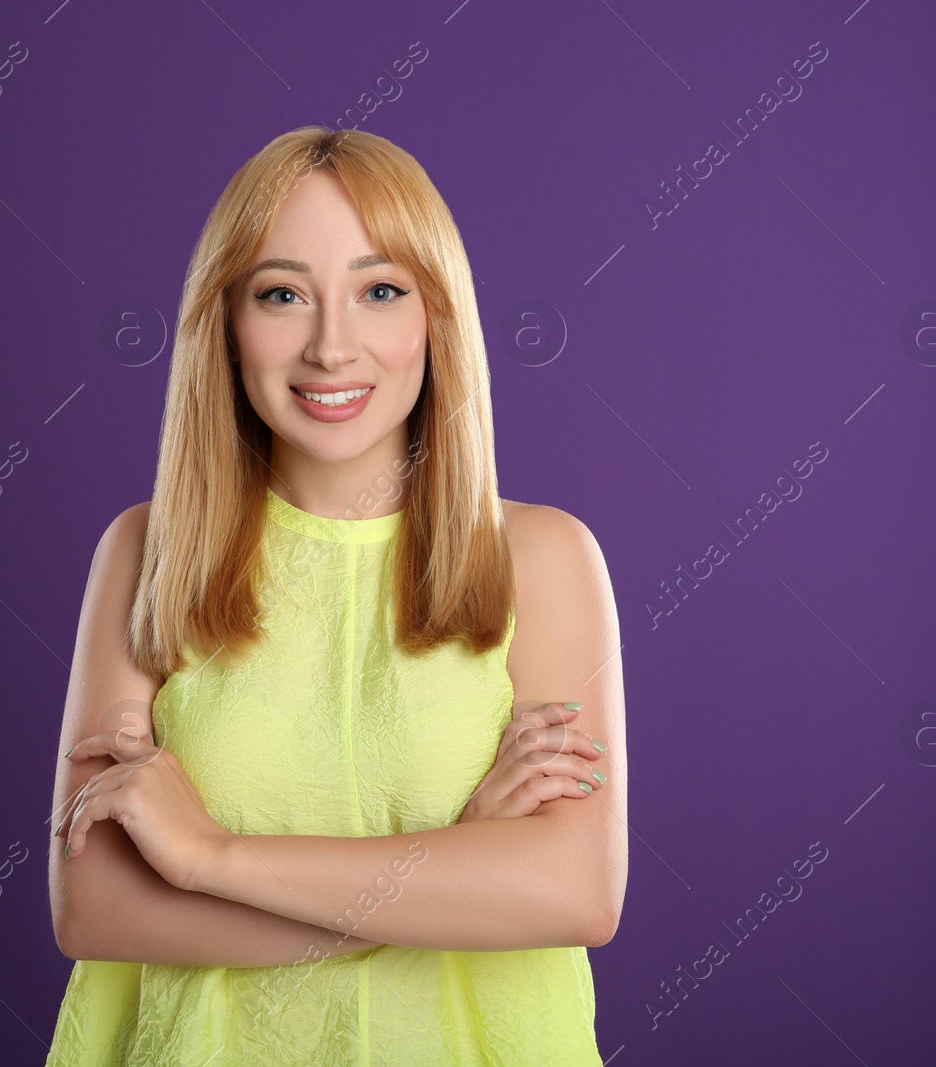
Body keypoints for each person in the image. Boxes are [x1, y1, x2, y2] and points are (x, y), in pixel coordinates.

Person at [43, 126, 627, 1066]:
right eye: (282, 295)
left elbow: (573, 891)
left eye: (380, 290)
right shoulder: (146, 554)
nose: (331, 346)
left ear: (434, 318)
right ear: (225, 325)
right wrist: (449, 871)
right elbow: (97, 909)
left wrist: (211, 861)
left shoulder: (542, 556)